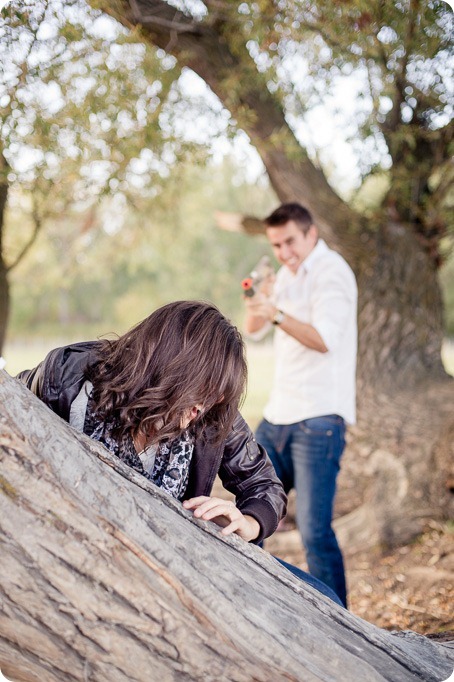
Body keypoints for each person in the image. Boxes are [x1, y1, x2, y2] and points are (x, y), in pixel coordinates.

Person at [17, 300, 343, 606]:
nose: (202, 408)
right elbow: (12, 422)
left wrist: (248, 523)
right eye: (201, 390)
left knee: (325, 598)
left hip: (170, 565)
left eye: (215, 397)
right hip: (67, 552)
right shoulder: (70, 376)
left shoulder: (212, 416)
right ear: (168, 367)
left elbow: (264, 486)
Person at [244, 203, 357, 607]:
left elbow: (324, 338)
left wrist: (276, 312)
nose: (284, 251)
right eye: (276, 244)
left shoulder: (332, 273)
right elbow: (253, 331)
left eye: (289, 240)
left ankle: (341, 621)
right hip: (278, 415)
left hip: (319, 418)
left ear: (310, 233)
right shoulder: (286, 276)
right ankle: (253, 602)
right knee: (248, 514)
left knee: (313, 530)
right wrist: (262, 297)